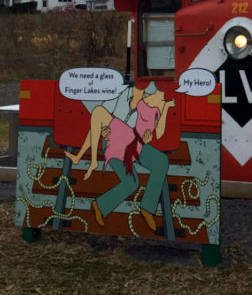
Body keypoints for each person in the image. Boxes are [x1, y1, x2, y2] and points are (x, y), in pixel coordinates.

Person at [66, 82, 175, 232]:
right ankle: (100, 205)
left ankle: (147, 209)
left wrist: (164, 111)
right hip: (115, 142)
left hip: (134, 143)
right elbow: (97, 121)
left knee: (161, 161)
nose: (146, 91)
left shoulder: (149, 102)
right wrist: (84, 153)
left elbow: (154, 130)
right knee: (131, 181)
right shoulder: (119, 95)